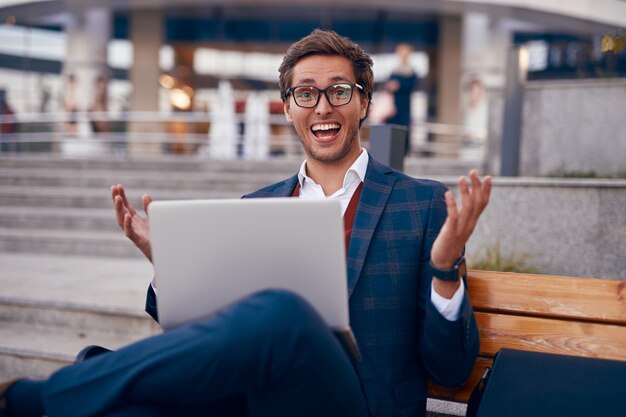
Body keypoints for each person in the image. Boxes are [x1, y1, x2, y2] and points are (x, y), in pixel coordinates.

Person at [0, 29, 491, 417]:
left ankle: (43, 395)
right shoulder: (255, 206)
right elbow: (215, 336)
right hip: (256, 402)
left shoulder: (423, 204)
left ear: (364, 103)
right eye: (305, 94)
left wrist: (445, 269)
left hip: (356, 405)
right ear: (287, 109)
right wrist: (169, 266)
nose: (323, 106)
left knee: (285, 314)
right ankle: (88, 380)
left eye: (340, 91)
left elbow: (450, 370)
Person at [384, 43, 420, 154]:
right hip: (393, 106)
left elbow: (412, 85)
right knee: (393, 127)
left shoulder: (411, 71)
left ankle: (404, 151)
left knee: (404, 127)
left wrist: (399, 85)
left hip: (404, 104)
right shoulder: (395, 70)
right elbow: (387, 85)